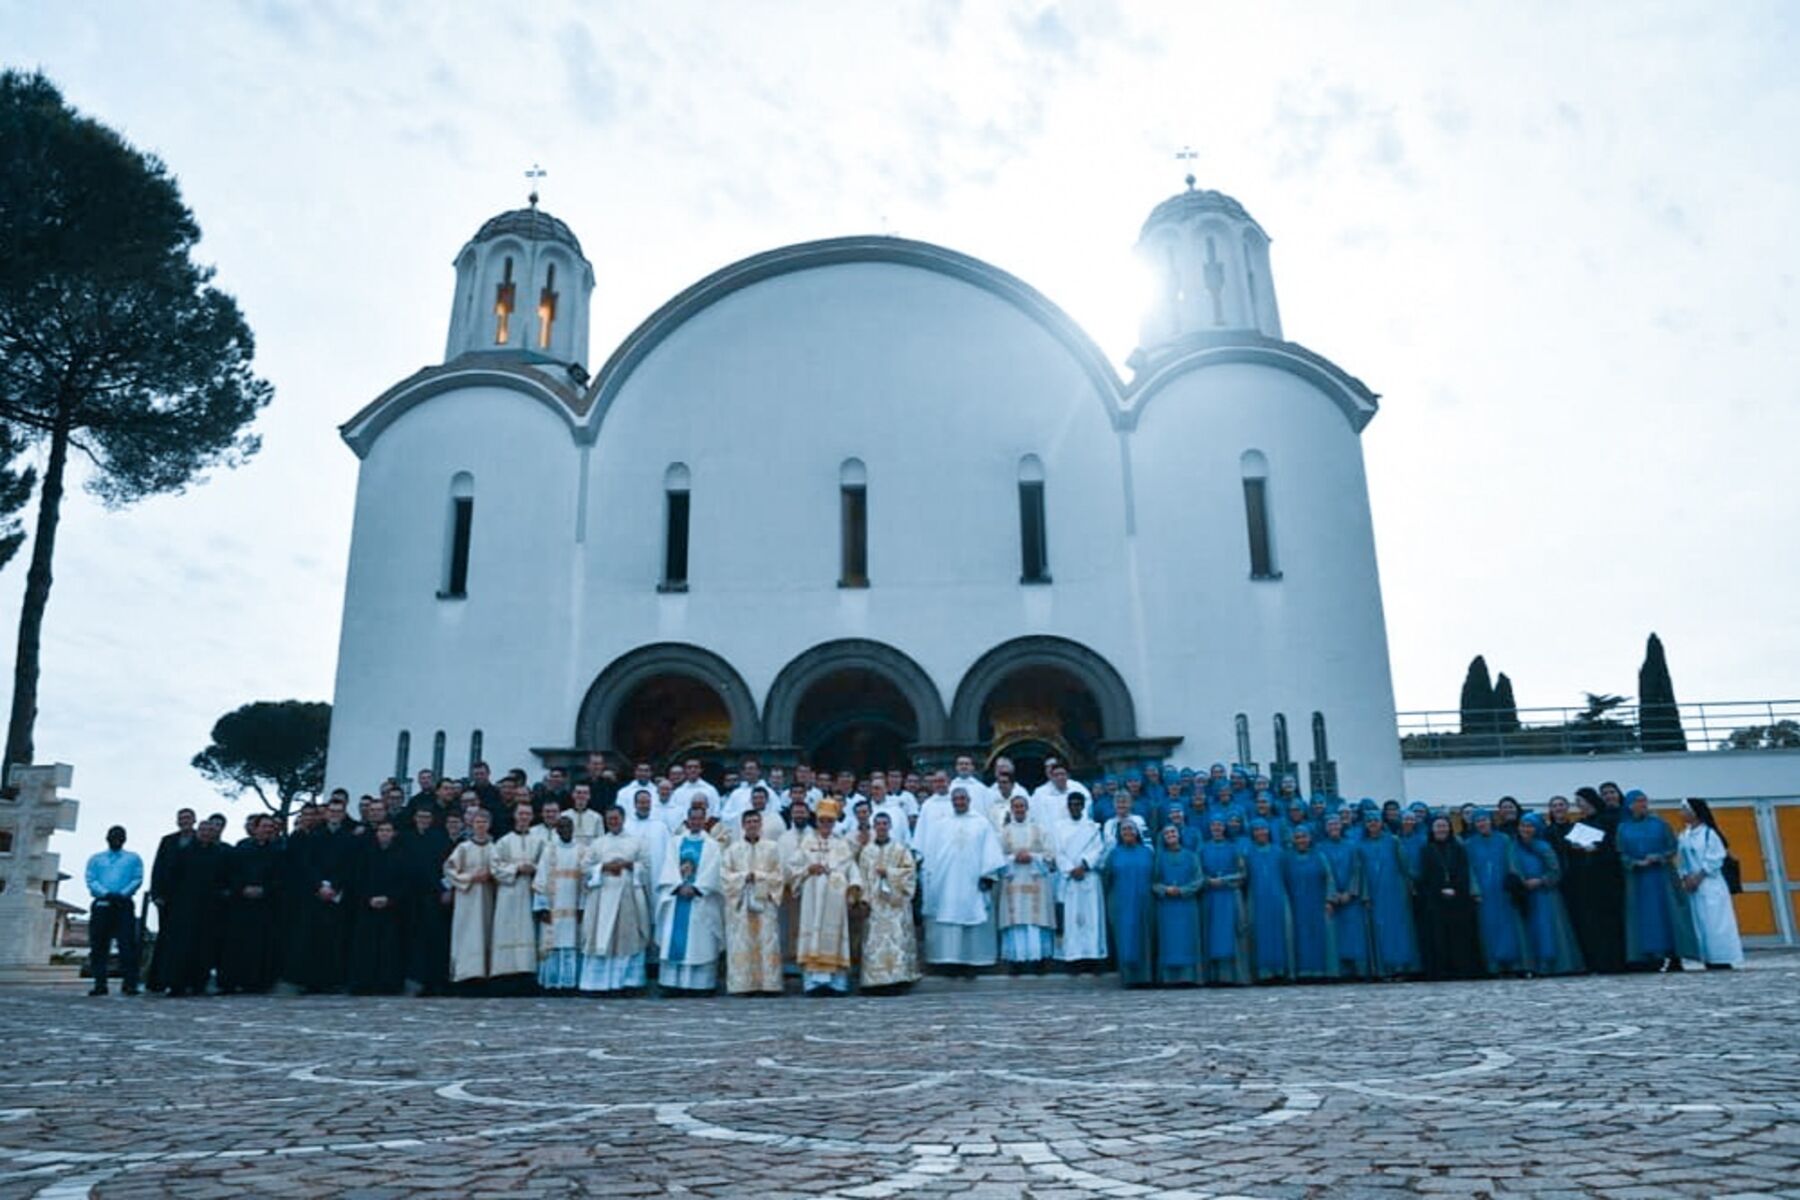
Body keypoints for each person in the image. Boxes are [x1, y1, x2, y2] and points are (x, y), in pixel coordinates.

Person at [917, 785, 1005, 976]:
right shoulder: (942, 824)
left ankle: (972, 962)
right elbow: (931, 853)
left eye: (962, 799)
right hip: (947, 881)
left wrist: (988, 875)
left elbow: (990, 851)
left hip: (972, 880)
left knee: (972, 916)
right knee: (948, 918)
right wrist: (931, 877)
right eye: (955, 800)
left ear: (969, 800)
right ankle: (949, 962)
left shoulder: (981, 823)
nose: (959, 803)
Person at [1616, 789, 1698, 971]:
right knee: (1645, 918)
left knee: (1668, 914)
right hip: (1638, 881)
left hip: (1662, 879)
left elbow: (1672, 847)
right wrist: (1634, 862)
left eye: (1644, 801)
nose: (1642, 804)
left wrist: (1659, 857)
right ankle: (1651, 956)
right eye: (1637, 801)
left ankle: (1675, 956)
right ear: (1629, 805)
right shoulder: (1623, 828)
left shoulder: (1660, 824)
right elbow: (1620, 852)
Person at [786, 798, 862, 995]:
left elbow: (851, 868)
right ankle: (813, 983)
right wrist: (808, 869)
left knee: (834, 938)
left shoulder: (842, 844)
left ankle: (837, 983)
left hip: (834, 900)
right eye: (822, 821)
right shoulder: (807, 843)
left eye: (830, 821)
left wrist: (854, 886)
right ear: (817, 821)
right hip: (812, 896)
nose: (826, 824)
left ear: (834, 822)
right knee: (812, 935)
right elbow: (793, 867)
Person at [578, 806, 654, 994]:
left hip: (627, 895)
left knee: (626, 938)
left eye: (616, 818)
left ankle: (626, 983)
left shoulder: (637, 842)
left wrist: (628, 865)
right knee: (601, 937)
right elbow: (584, 866)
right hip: (602, 896)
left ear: (623, 818)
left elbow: (646, 866)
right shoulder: (598, 843)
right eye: (610, 819)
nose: (613, 822)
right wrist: (603, 867)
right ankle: (599, 984)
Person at [656, 804, 725, 994]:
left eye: (699, 819)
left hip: (699, 899)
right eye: (692, 819)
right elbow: (669, 865)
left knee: (699, 943)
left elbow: (714, 871)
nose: (696, 822)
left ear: (705, 821)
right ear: (687, 820)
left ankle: (699, 985)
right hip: (677, 896)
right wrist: (678, 885)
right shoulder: (675, 842)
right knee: (675, 941)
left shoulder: (712, 845)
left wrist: (696, 887)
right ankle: (672, 984)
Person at [158, 818, 230, 997]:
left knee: (204, 947)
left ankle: (199, 983)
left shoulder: (221, 854)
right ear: (198, 832)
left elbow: (225, 879)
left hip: (209, 908)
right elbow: (171, 877)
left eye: (210, 831)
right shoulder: (183, 853)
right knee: (180, 947)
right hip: (184, 907)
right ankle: (176, 984)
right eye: (203, 830)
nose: (206, 834)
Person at [719, 808, 786, 995]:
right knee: (741, 942)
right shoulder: (733, 849)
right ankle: (742, 985)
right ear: (742, 825)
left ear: (761, 824)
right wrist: (743, 877)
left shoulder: (772, 848)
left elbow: (779, 876)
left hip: (764, 903)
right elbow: (724, 876)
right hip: (741, 905)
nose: (752, 825)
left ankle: (769, 984)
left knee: (767, 941)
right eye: (748, 822)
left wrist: (759, 876)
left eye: (755, 821)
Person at [1562, 785, 1626, 973]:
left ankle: (1615, 962)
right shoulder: (1580, 824)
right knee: (1592, 923)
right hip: (1586, 880)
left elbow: (1614, 847)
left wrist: (1597, 850)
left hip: (1606, 878)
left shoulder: (1607, 820)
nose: (1579, 806)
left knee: (1610, 922)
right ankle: (1597, 961)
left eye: (1580, 802)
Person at [1677, 798, 1744, 970]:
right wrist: (1685, 877)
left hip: (1710, 883)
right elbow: (1682, 860)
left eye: (1685, 809)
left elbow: (1715, 858)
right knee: (1701, 922)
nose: (1681, 813)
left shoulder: (1709, 833)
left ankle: (1722, 957)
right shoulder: (1684, 835)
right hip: (1693, 886)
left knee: (1716, 922)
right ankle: (1707, 957)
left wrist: (1699, 876)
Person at [1513, 814, 1585, 976]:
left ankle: (1552, 965)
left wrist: (1541, 881)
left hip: (1545, 895)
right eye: (1523, 825)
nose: (1526, 829)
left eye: (1530, 826)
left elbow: (1555, 870)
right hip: (1526, 895)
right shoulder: (1514, 847)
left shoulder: (1544, 847)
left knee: (1548, 929)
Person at [1414, 816, 1484, 980]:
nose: (1441, 829)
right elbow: (1425, 875)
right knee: (1437, 936)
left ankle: (1461, 969)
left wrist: (1454, 889)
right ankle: (1441, 971)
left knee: (1459, 936)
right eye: (1438, 826)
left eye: (1444, 826)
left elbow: (1464, 871)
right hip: (1435, 899)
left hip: (1458, 898)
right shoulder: (1426, 849)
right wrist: (1440, 890)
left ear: (1450, 828)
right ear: (1432, 829)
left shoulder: (1458, 848)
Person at [856, 812, 920, 991]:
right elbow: (862, 877)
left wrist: (890, 873)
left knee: (896, 940)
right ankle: (874, 981)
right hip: (875, 905)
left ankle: (898, 979)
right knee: (874, 942)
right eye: (878, 824)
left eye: (885, 824)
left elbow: (910, 873)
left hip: (895, 905)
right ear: (874, 827)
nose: (882, 827)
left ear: (890, 826)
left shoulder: (900, 849)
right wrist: (863, 900)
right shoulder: (867, 851)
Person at [221, 814, 283, 994]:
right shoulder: (241, 849)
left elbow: (281, 877)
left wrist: (265, 890)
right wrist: (242, 889)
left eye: (270, 826)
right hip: (242, 905)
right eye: (264, 826)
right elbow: (231, 873)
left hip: (266, 905)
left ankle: (259, 982)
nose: (268, 830)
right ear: (255, 828)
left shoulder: (277, 851)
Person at [995, 794, 1056, 973]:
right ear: (1011, 809)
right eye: (1016, 807)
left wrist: (1033, 857)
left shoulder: (1039, 829)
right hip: (1013, 880)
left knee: (1035, 920)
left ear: (1027, 808)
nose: (1019, 809)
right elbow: (997, 857)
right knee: (1016, 921)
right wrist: (1014, 858)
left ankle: (1039, 960)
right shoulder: (1004, 832)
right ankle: (1016, 961)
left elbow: (1050, 854)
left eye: (1022, 806)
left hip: (1035, 879)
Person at [347, 819, 409, 995]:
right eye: (381, 830)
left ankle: (388, 984)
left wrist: (390, 899)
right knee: (366, 947)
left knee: (390, 948)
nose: (384, 833)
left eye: (388, 830)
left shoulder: (402, 854)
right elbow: (358, 878)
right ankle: (364, 984)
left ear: (394, 833)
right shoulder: (366, 853)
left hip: (392, 909)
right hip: (368, 907)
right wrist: (368, 898)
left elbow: (405, 881)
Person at [1356, 811, 1420, 979]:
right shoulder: (1361, 846)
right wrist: (1365, 895)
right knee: (1380, 929)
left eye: (1375, 820)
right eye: (1369, 821)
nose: (1372, 824)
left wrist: (1414, 884)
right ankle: (1383, 969)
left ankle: (1402, 967)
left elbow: (1404, 865)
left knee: (1399, 929)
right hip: (1374, 893)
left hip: (1395, 892)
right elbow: (1360, 873)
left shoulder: (1393, 841)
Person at [1463, 810, 1527, 976]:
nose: (1482, 824)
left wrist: (1514, 883)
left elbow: (1511, 862)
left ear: (1490, 821)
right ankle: (1493, 965)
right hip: (1484, 892)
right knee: (1488, 926)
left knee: (1508, 925)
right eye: (1478, 821)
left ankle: (1513, 963)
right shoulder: (1469, 844)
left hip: (1503, 889)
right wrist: (1474, 889)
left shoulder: (1504, 839)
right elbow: (1469, 869)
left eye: (1484, 820)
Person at [84, 825, 144, 996]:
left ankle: (129, 983)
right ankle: (100, 984)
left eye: (120, 836)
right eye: (113, 836)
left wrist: (122, 894)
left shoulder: (133, 858)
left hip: (123, 904)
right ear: (107, 838)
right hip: (102, 904)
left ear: (125, 839)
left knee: (127, 945)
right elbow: (91, 879)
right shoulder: (96, 859)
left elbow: (137, 878)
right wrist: (105, 893)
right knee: (99, 946)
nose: (116, 839)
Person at [489, 803, 541, 994]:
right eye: (521, 814)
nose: (524, 817)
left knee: (528, 932)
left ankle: (526, 977)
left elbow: (547, 865)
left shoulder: (539, 841)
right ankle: (505, 977)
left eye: (528, 814)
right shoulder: (503, 842)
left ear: (532, 817)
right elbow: (495, 868)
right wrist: (516, 869)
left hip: (530, 891)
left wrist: (534, 869)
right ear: (515, 816)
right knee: (507, 931)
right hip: (509, 893)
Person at [402, 805, 453, 996]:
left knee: (435, 941)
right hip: (412, 897)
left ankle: (434, 982)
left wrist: (443, 889)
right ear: (415, 818)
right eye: (420, 815)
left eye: (427, 816)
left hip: (434, 897)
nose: (423, 819)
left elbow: (445, 866)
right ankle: (416, 980)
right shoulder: (406, 838)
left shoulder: (439, 838)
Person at [1052, 791, 1107, 970]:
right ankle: (1074, 958)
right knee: (1072, 920)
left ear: (1083, 806)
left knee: (1092, 918)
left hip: (1088, 877)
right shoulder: (1059, 827)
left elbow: (1099, 850)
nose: (1075, 807)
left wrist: (1084, 865)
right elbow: (1057, 852)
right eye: (1072, 804)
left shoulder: (1092, 827)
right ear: (1067, 806)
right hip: (1070, 879)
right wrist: (1070, 869)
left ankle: (1093, 957)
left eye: (1078, 804)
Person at [443, 808, 498, 989]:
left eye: (484, 822)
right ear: (471, 825)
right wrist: (470, 878)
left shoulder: (494, 848)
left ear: (489, 825)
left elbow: (500, 870)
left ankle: (485, 974)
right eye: (477, 822)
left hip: (488, 897)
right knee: (467, 934)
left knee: (486, 933)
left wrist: (491, 875)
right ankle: (465, 974)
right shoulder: (463, 848)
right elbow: (449, 870)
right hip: (467, 898)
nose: (481, 826)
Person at [146, 807, 198, 993]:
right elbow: (158, 868)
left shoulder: (199, 841)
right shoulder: (168, 841)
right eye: (181, 818)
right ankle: (158, 980)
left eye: (188, 818)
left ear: (194, 820)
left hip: (190, 900)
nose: (184, 821)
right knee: (165, 939)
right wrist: (156, 894)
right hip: (167, 899)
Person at [533, 815, 587, 994]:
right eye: (561, 827)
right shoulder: (549, 850)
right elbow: (540, 879)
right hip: (553, 907)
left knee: (571, 944)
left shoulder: (581, 850)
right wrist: (542, 907)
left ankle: (571, 983)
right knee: (553, 944)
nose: (565, 830)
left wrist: (582, 906)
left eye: (568, 827)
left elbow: (585, 883)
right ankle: (552, 983)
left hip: (573, 906)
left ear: (573, 829)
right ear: (556, 830)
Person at [1102, 819, 1155, 987]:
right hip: (1121, 903)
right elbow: (1106, 879)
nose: (1128, 833)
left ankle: (1147, 978)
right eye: (1124, 830)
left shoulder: (1147, 853)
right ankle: (1129, 979)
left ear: (1137, 832)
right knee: (1125, 939)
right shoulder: (1114, 854)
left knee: (1145, 938)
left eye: (1130, 829)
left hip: (1145, 902)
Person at [1282, 825, 1337, 980]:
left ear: (1310, 838)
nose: (1301, 841)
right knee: (1298, 937)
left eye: (1304, 837)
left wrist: (1329, 900)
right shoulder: (1287, 859)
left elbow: (1329, 878)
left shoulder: (1320, 856)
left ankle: (1321, 971)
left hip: (1317, 902)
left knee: (1318, 936)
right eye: (1298, 837)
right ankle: (1301, 972)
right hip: (1296, 904)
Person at [1198, 818, 1249, 985]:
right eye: (1214, 825)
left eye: (1220, 825)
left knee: (1234, 933)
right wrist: (1208, 880)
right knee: (1211, 934)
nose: (1217, 828)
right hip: (1211, 896)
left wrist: (1225, 880)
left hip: (1230, 895)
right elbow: (1197, 872)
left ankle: (1235, 976)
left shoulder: (1234, 848)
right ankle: (1214, 976)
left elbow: (1242, 873)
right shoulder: (1203, 848)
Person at [1152, 824, 1204, 985]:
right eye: (1166, 833)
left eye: (1173, 832)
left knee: (1188, 940)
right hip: (1167, 907)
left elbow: (1199, 879)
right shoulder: (1159, 858)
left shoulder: (1191, 856)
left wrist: (1183, 890)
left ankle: (1190, 977)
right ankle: (1169, 978)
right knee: (1169, 941)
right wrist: (1165, 889)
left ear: (1179, 834)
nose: (1170, 835)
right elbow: (1154, 882)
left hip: (1187, 905)